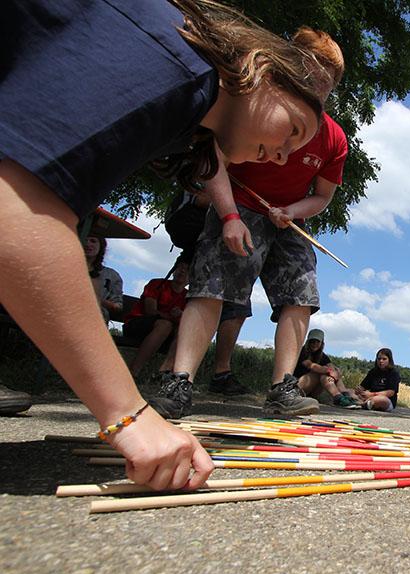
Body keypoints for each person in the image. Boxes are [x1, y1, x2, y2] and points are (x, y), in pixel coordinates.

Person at [0, 0, 335, 490]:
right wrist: (127, 415)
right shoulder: (175, 67)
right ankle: (174, 383)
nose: (285, 156)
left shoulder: (190, 105)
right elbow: (19, 213)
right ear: (265, 74)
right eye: (293, 130)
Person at [152, 25, 348, 419]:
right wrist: (228, 216)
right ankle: (179, 382)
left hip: (287, 218)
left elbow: (323, 196)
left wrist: (292, 211)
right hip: (239, 203)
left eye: (325, 86)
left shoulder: (333, 138)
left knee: (302, 293)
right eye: (310, 77)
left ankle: (283, 387)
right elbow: (213, 157)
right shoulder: (252, 100)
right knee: (212, 286)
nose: (317, 90)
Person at [165, 193, 252, 396]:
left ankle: (221, 373)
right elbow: (204, 198)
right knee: (202, 307)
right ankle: (172, 371)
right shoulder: (207, 182)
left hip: (234, 256)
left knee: (238, 310)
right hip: (205, 249)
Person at [124, 256, 190, 378]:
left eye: (187, 270)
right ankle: (133, 372)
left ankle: (165, 373)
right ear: (173, 271)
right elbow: (150, 311)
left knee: (183, 331)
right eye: (180, 267)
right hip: (137, 324)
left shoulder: (188, 297)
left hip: (167, 333)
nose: (182, 271)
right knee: (165, 325)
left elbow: (187, 321)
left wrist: (181, 315)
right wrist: (173, 317)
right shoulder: (157, 284)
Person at [293, 329, 356, 408]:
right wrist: (329, 371)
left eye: (317, 342)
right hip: (297, 388)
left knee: (332, 371)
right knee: (320, 372)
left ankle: (342, 394)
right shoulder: (302, 352)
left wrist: (334, 371)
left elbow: (331, 367)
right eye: (312, 341)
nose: (314, 344)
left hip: (312, 391)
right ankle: (338, 397)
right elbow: (310, 365)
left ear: (322, 343)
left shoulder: (322, 356)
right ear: (308, 342)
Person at [84, 236, 123, 324]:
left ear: (101, 247)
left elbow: (118, 306)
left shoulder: (111, 275)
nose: (88, 244)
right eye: (85, 240)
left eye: (93, 241)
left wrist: (98, 300)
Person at [354, 348, 401, 412]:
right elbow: (363, 386)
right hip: (369, 397)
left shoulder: (393, 373)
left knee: (381, 399)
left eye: (384, 359)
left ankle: (361, 403)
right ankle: (365, 403)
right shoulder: (373, 372)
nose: (381, 361)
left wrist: (371, 394)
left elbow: (390, 393)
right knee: (350, 391)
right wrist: (359, 390)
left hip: (386, 401)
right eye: (379, 359)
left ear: (389, 360)